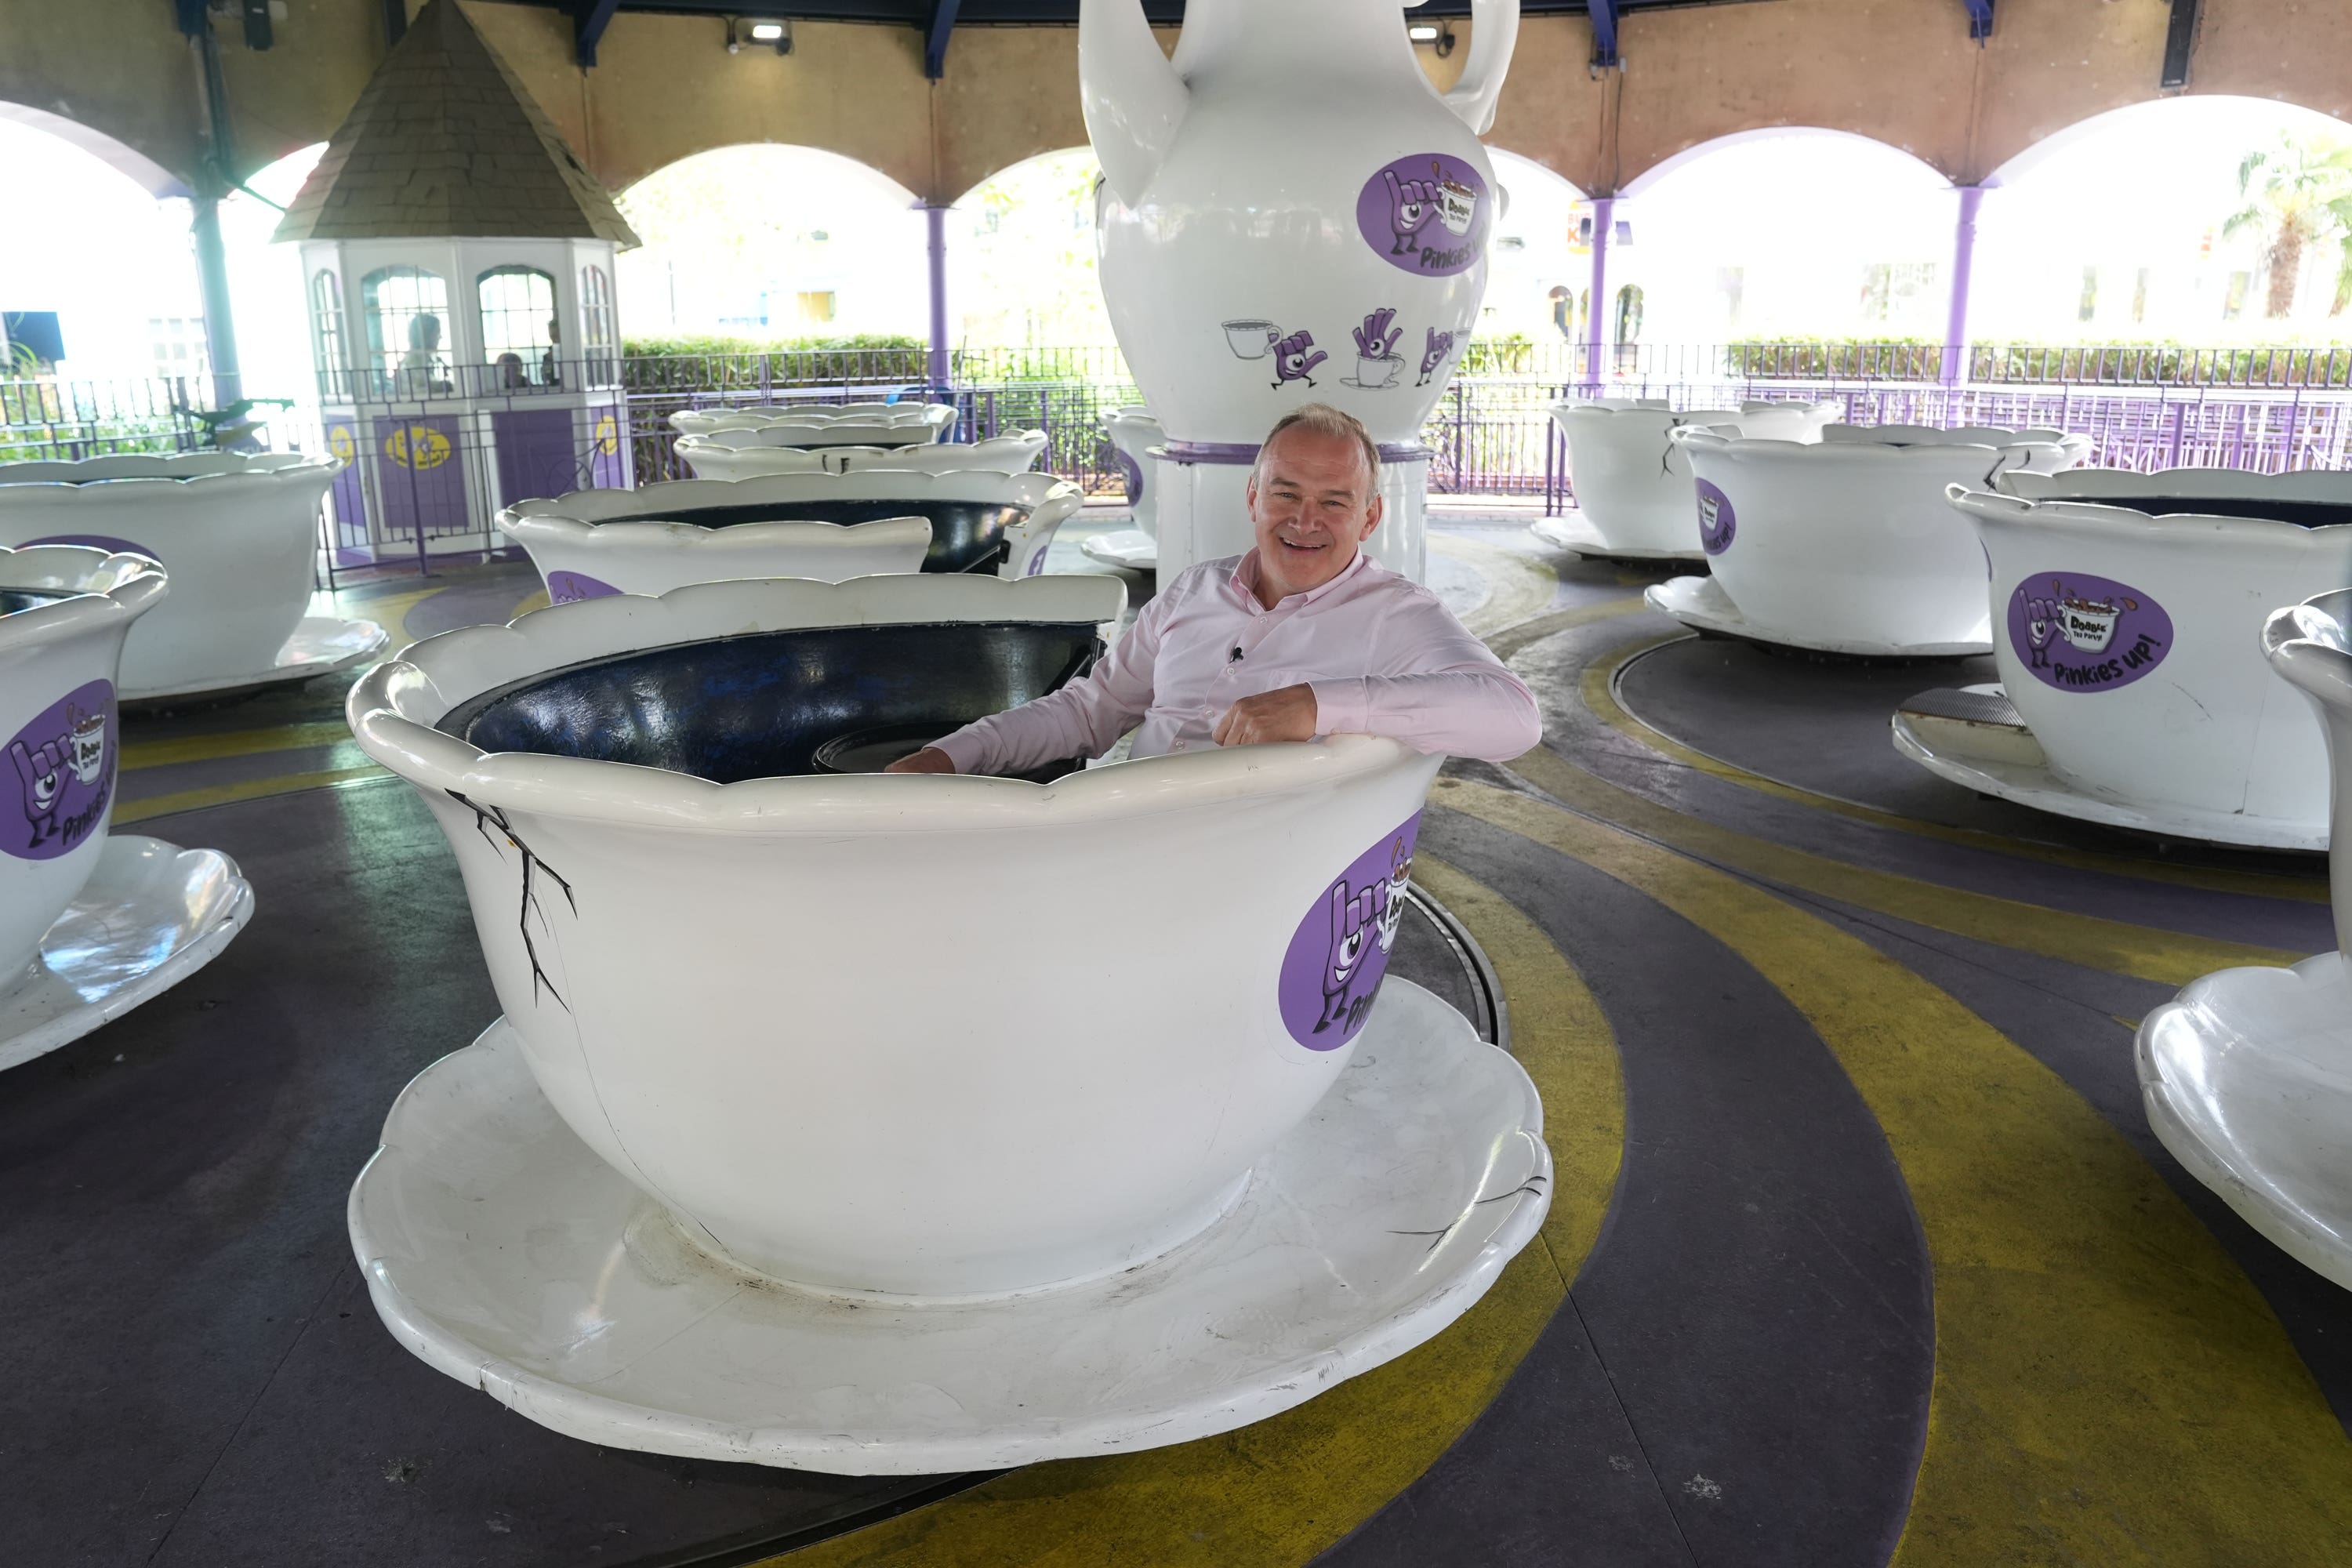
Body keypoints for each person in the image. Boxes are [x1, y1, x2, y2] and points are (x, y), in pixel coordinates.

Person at [885, 403, 1541, 776]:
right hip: (1125, 840)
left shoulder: (1394, 614)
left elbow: (1513, 717)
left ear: (1370, 517)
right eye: (1285, 492)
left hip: (1255, 874)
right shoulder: (1196, 589)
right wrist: (948, 757)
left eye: (1335, 502)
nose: (1305, 520)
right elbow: (1090, 712)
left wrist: (1317, 705)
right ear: (1253, 496)